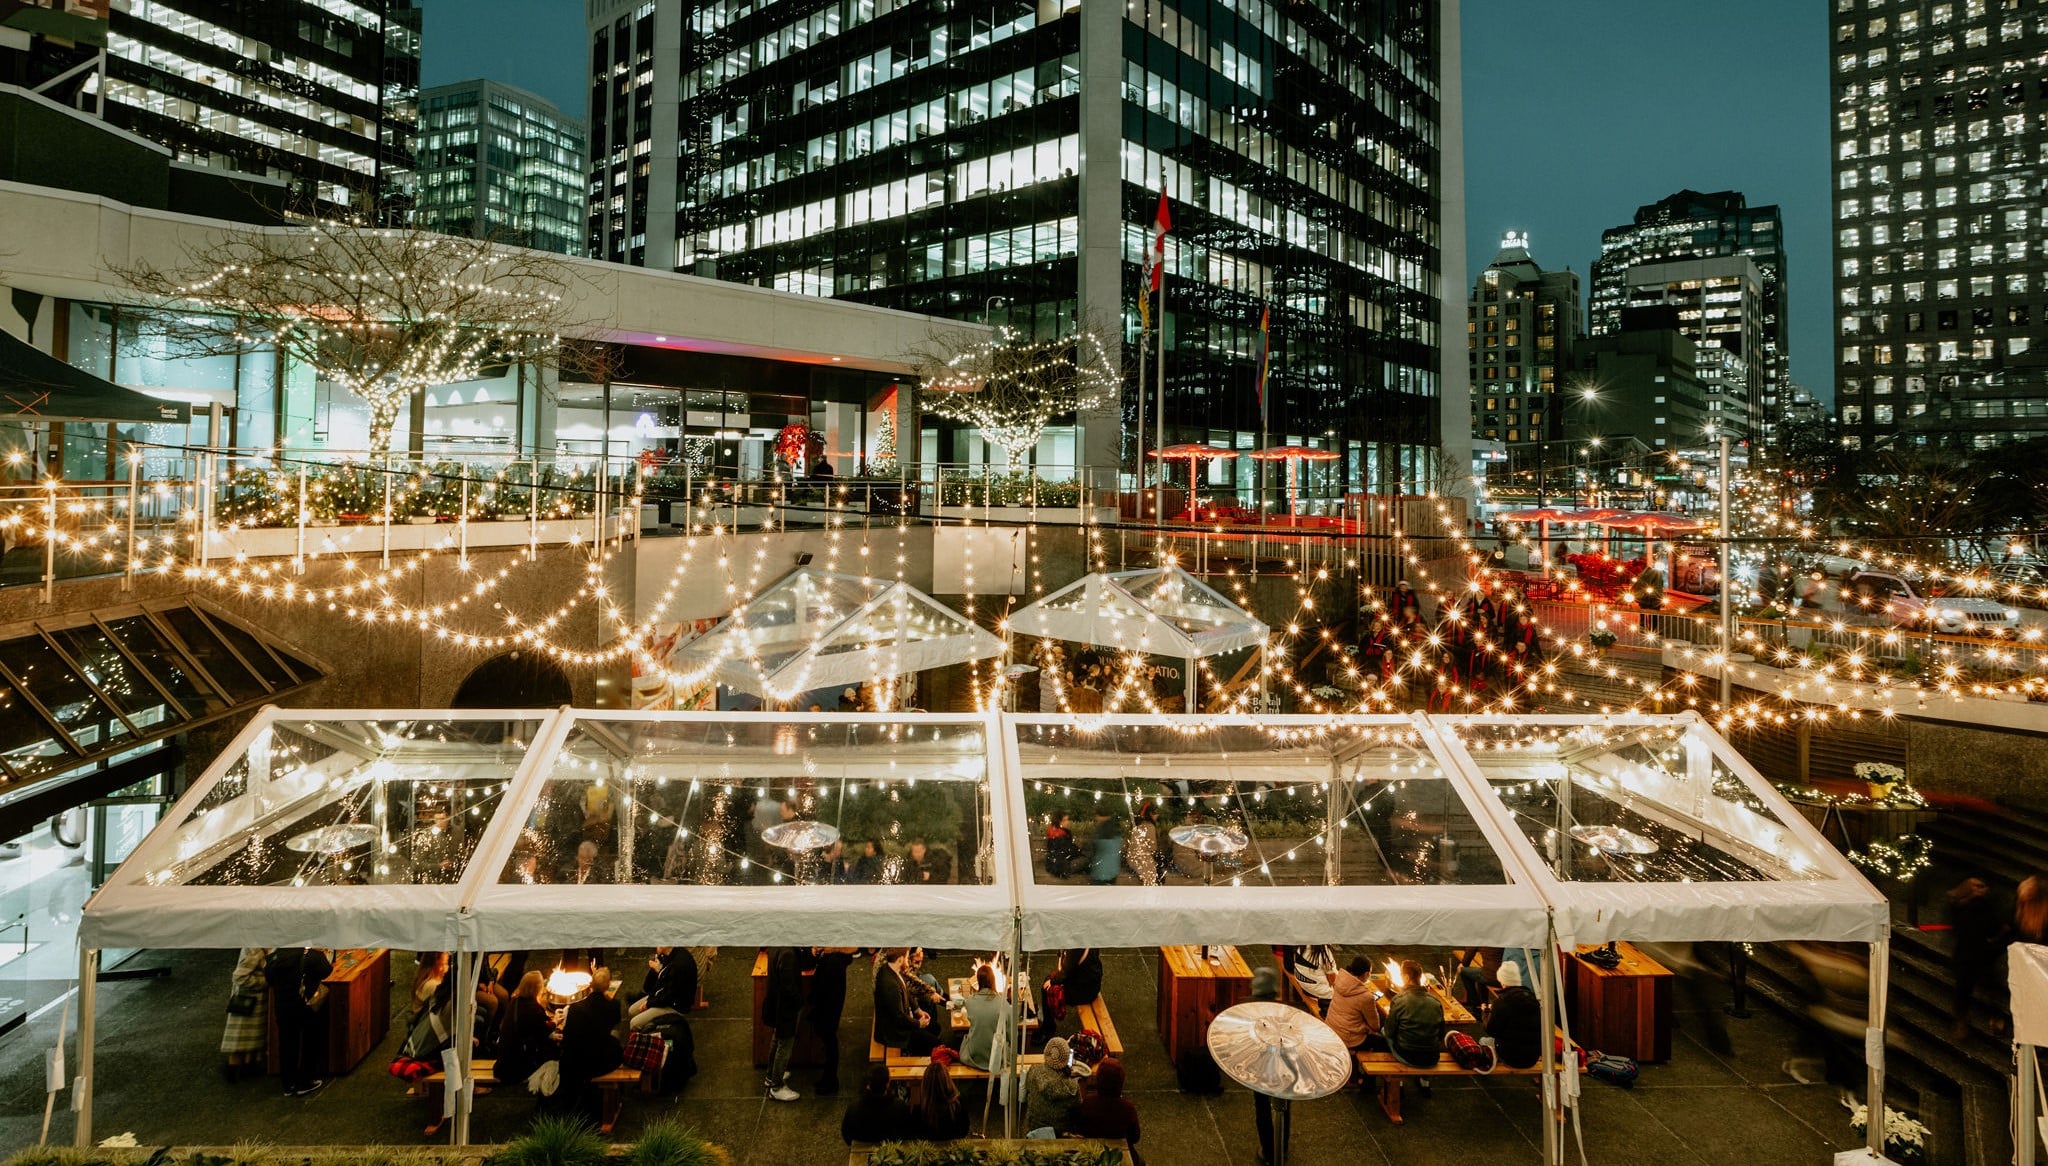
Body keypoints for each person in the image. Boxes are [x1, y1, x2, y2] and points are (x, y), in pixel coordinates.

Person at [264, 946, 334, 1097]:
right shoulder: (312, 956)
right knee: (310, 1043)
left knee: (287, 1043)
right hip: (306, 1005)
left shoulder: (274, 957)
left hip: (283, 1007)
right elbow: (327, 971)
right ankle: (305, 1081)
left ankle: (288, 1085)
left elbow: (269, 979)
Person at [556, 966, 623, 1117]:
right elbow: (614, 1022)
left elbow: (568, 1035)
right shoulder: (613, 1005)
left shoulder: (575, 1008)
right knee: (615, 1038)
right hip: (598, 1061)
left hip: (573, 1061)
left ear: (591, 986)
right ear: (608, 986)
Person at [1947, 877, 2007, 1040]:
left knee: (1986, 987)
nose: (1978, 890)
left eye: (1981, 886)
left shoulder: (1985, 905)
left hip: (1978, 955)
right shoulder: (1960, 905)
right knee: (1965, 991)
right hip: (1969, 955)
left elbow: (1997, 927)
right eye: (1975, 886)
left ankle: (1993, 1018)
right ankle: (1964, 1022)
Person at [1248, 966, 1287, 1164]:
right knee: (1284, 1106)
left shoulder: (1250, 1011)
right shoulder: (1282, 1011)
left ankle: (1268, 1151)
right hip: (1285, 1068)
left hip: (1262, 1069)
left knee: (1262, 1108)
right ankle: (1282, 1146)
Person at [806, 946, 857, 1095]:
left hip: (828, 1008)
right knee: (829, 1040)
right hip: (831, 1006)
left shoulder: (833, 962)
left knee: (829, 1041)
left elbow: (822, 987)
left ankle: (830, 1081)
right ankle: (829, 1079)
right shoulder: (837, 960)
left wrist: (813, 999)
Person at [873, 947, 943, 1055]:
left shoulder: (893, 969)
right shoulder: (890, 985)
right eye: (906, 957)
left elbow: (906, 991)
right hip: (896, 1033)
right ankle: (915, 1054)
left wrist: (918, 1010)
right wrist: (918, 1024)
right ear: (900, 959)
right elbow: (899, 1017)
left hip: (903, 1021)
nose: (908, 960)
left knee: (935, 1028)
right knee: (937, 1044)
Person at [492, 971, 555, 1090]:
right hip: (515, 1069)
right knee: (553, 1051)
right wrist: (555, 1021)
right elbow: (543, 1033)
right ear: (537, 989)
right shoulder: (533, 1009)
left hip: (502, 1064)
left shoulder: (515, 1002)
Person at [1073, 1058, 1141, 1163]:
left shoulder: (1088, 1102)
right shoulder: (1128, 1108)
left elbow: (1080, 1129)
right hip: (1120, 1154)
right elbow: (1135, 1137)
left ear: (1098, 1079)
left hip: (1092, 1154)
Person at [1384, 960, 1445, 1074]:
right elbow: (1441, 1034)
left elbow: (1389, 1032)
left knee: (1383, 1031)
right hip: (1431, 1058)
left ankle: (1397, 1081)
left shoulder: (1399, 1000)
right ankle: (1424, 1081)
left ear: (1406, 977)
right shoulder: (1436, 1002)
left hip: (1407, 1056)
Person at [762, 946, 806, 1100]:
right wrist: (799, 1001)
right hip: (786, 1008)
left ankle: (771, 1075)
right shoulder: (788, 954)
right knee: (785, 1044)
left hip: (776, 1004)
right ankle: (777, 1085)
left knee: (777, 1038)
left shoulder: (778, 945)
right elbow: (789, 985)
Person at [219, 947, 268, 1082]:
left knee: (248, 1039)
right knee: (239, 1040)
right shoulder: (255, 949)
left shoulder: (256, 945)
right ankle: (233, 1071)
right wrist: (265, 982)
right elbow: (240, 977)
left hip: (253, 1001)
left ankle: (245, 1068)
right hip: (248, 1003)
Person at [1485, 961, 1543, 1069]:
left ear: (1503, 981)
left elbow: (1491, 1031)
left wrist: (1486, 1013)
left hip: (1511, 1056)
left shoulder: (1502, 1001)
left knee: (1483, 1041)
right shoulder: (1533, 999)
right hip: (1532, 1056)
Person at [1022, 1036, 1083, 1136]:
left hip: (1032, 1130)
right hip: (1059, 1134)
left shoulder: (1034, 1071)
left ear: (1046, 1052)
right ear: (1066, 1059)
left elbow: (1029, 1090)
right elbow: (1077, 1109)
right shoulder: (1072, 1087)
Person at [840, 1065, 916, 1144]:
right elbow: (907, 1133)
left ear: (868, 1085)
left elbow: (846, 1134)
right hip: (892, 1152)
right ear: (887, 1084)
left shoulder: (853, 1108)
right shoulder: (900, 1107)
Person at [959, 962, 1013, 1071]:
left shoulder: (970, 1002)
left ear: (978, 981)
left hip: (975, 1055)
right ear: (994, 980)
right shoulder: (1004, 1004)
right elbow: (1010, 1033)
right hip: (998, 1056)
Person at [630, 947, 697, 1032]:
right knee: (631, 1011)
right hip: (662, 996)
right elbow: (648, 987)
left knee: (634, 1024)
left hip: (675, 1006)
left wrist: (649, 1004)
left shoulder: (679, 965)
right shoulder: (666, 955)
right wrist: (656, 970)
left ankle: (648, 1036)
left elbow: (669, 996)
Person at [1325, 956, 1382, 1050]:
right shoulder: (1366, 997)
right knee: (1382, 1042)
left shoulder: (1340, 979)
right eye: (1370, 973)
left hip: (1332, 1027)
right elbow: (1375, 1026)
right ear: (1366, 974)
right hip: (1349, 1039)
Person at [915, 1060, 971, 1140]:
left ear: (925, 1083)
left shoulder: (919, 1111)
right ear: (947, 1080)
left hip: (928, 1150)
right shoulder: (959, 1106)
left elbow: (917, 1134)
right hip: (953, 1149)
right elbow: (964, 1131)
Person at [1044, 947, 1103, 1016]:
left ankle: (1048, 1024)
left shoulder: (1076, 946)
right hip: (1093, 986)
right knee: (1052, 980)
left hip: (1084, 993)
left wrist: (1052, 981)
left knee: (1047, 987)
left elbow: (1067, 971)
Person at [1044, 811, 1084, 878]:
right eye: (1065, 820)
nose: (1067, 822)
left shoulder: (1054, 832)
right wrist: (1080, 851)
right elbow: (1067, 850)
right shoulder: (1060, 835)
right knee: (1085, 861)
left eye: (1067, 819)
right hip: (1061, 867)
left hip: (1054, 865)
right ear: (1058, 821)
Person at [1088, 810, 1123, 885]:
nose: (1096, 819)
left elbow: (1095, 848)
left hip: (1100, 873)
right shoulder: (1115, 829)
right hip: (1113, 872)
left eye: (1096, 817)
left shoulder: (1103, 830)